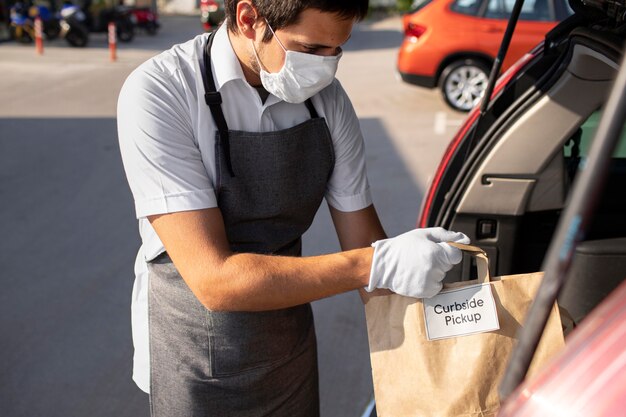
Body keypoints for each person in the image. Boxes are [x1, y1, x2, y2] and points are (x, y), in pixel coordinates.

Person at [117, 0, 470, 415]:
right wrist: (374, 264)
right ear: (250, 20)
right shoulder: (162, 91)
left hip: (288, 347)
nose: (327, 67)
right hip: (194, 355)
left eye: (337, 50)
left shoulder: (328, 103)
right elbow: (214, 280)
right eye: (312, 49)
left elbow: (369, 251)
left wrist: (459, 335)